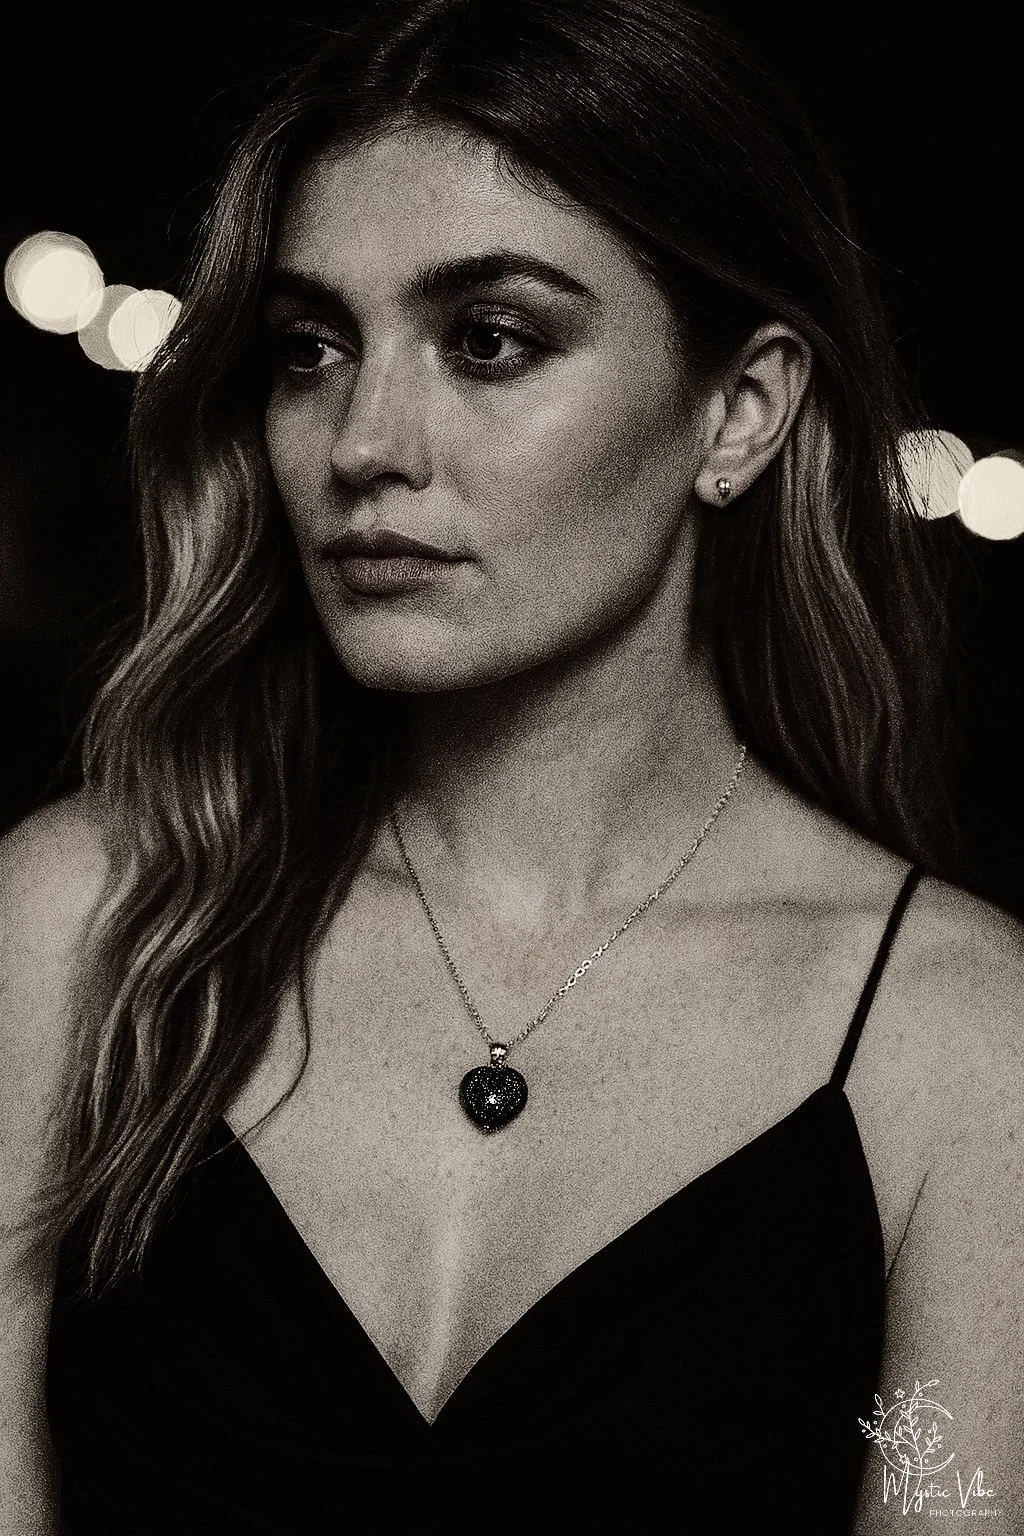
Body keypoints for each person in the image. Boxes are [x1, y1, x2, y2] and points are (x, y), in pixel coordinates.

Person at [1, 1, 1021, 1530]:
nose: (361, 442)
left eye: (490, 339)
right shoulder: (80, 920)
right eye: (308, 349)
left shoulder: (957, 1041)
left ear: (736, 411)